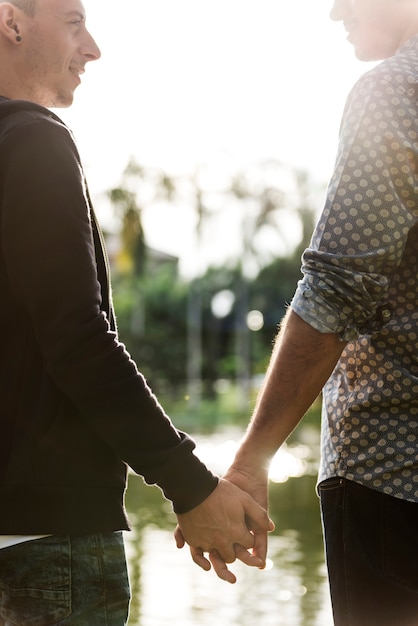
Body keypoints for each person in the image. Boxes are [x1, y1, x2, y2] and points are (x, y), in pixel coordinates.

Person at [0, 0, 274, 623]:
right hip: (48, 545)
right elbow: (77, 341)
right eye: (74, 23)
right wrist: (191, 485)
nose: (92, 48)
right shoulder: (33, 141)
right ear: (12, 21)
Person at [178, 1, 418, 624]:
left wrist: (252, 458)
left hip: (396, 477)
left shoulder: (395, 89)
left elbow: (337, 287)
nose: (335, 10)